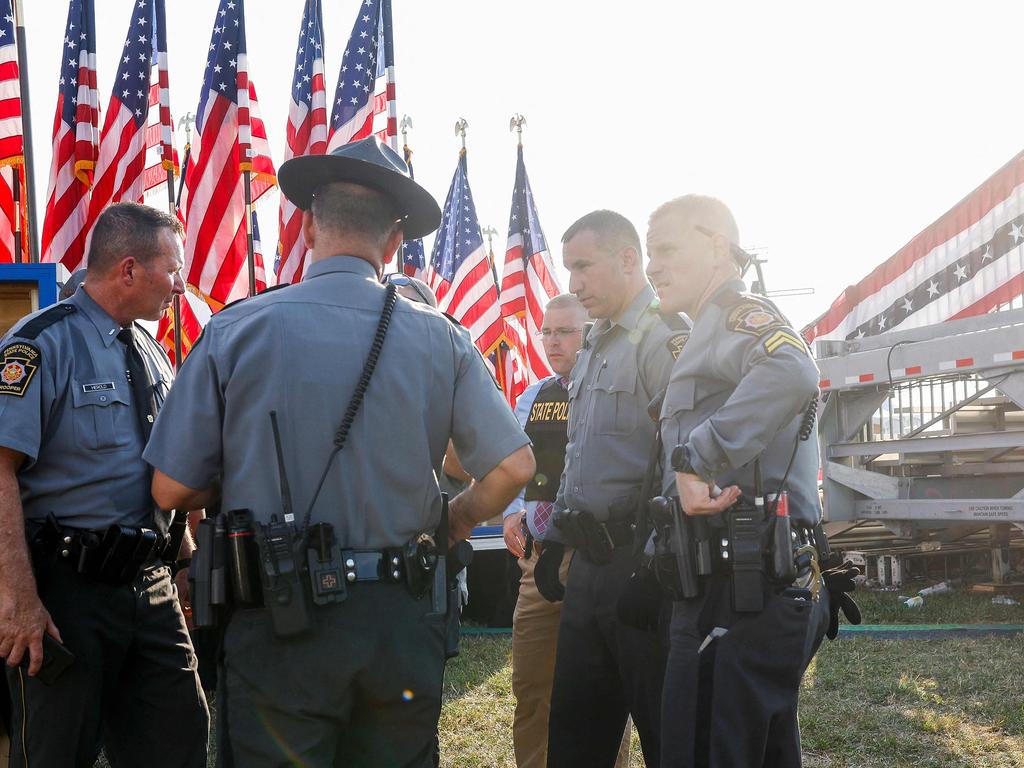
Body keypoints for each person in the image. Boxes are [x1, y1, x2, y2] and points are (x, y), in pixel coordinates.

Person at [144, 136, 536, 767]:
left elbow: (170, 490)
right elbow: (514, 466)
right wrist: (457, 519)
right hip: (402, 617)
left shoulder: (237, 328)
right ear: (395, 243)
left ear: (306, 227)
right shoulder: (442, 337)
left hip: (281, 620)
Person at [646, 195, 854, 767]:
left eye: (665, 249)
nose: (652, 267)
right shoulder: (704, 334)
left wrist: (696, 460)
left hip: (743, 585)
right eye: (648, 254)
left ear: (717, 246)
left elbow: (793, 370)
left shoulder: (740, 316)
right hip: (724, 586)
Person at [0, 202, 208, 767]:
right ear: (130, 269)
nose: (180, 285)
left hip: (151, 586)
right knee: (53, 753)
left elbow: (154, 474)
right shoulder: (41, 343)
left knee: (180, 738)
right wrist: (18, 599)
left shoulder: (152, 353)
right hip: (67, 593)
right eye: (173, 269)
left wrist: (184, 561)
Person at [537, 210, 690, 768]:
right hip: (589, 566)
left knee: (664, 735)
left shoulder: (663, 339)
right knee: (575, 735)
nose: (572, 284)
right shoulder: (597, 340)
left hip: (642, 567)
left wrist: (656, 564)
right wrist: (556, 535)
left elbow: (685, 463)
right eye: (567, 268)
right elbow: (580, 451)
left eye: (583, 266)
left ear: (628, 259)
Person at [503, 293, 633, 768]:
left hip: (600, 559)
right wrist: (512, 511)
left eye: (565, 332)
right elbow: (520, 466)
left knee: (603, 691)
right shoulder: (534, 396)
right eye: (546, 331)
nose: (552, 342)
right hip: (541, 563)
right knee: (533, 687)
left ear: (591, 332)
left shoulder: (614, 391)